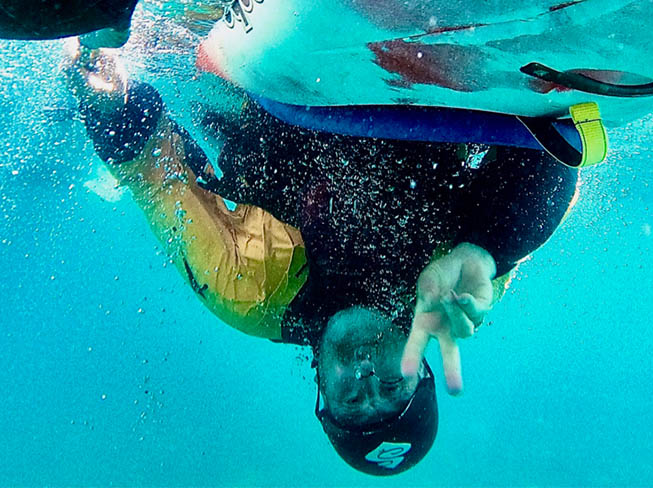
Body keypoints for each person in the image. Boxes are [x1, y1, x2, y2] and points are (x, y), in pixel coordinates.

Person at [64, 41, 579, 476]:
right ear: (420, 367)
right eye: (390, 385)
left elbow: (156, 174)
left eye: (351, 400)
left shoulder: (247, 294)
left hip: (261, 83)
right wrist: (487, 247)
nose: (363, 376)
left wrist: (109, 102)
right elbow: (557, 145)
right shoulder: (454, 298)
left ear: (321, 393)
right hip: (414, 77)